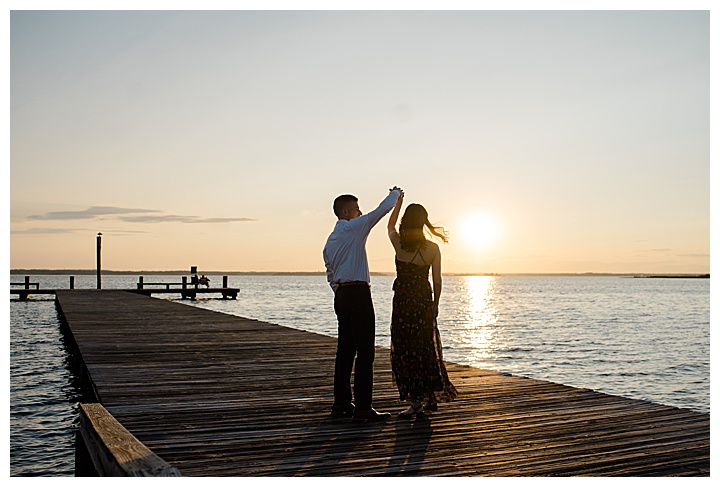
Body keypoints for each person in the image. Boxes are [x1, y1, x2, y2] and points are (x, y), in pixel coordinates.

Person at [323, 186, 403, 423]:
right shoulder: (353, 228)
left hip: (341, 295)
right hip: (358, 293)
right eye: (357, 209)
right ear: (347, 211)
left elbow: (330, 274)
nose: (361, 213)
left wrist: (340, 291)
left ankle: (341, 404)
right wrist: (396, 194)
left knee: (345, 351)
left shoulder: (330, 240)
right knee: (365, 352)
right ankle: (363, 408)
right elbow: (381, 211)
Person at [387, 196, 457, 418]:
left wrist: (397, 203)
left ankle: (416, 401)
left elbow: (389, 225)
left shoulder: (398, 243)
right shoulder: (433, 248)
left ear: (406, 221)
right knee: (424, 349)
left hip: (403, 303)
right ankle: (427, 397)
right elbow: (437, 281)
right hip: (423, 303)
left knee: (405, 350)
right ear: (424, 221)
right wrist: (435, 305)